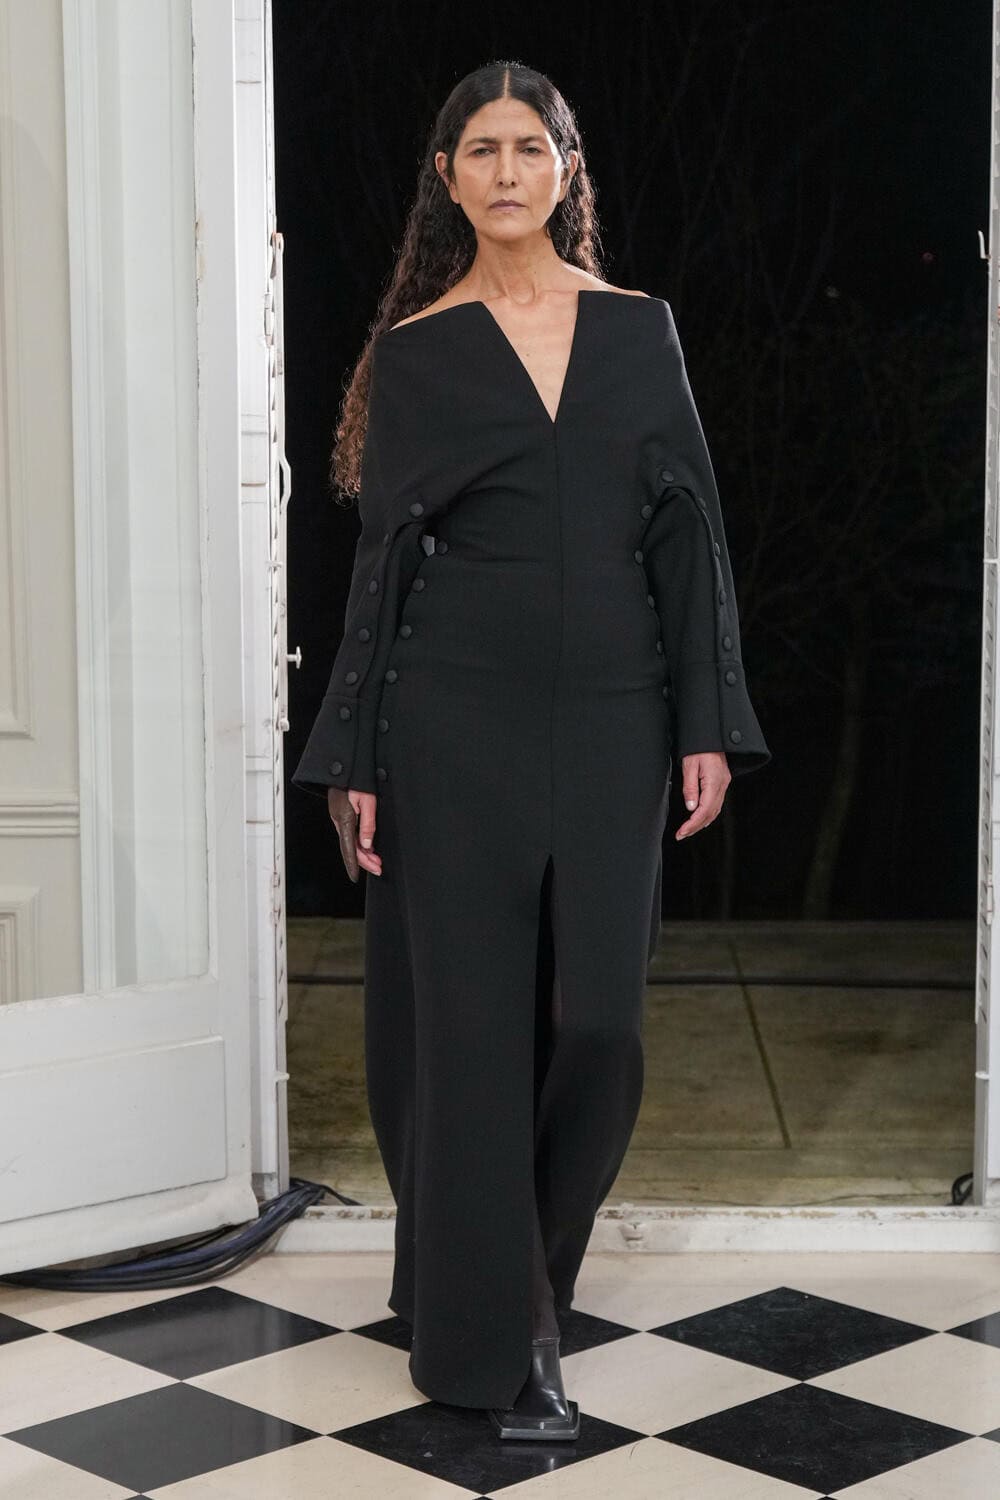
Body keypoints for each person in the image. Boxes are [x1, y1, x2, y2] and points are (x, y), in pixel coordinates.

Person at [291, 59, 771, 1441]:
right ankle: (512, 1329)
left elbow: (692, 537)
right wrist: (355, 755)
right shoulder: (420, 351)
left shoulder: (639, 331)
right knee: (473, 1034)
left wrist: (707, 723)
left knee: (600, 1026)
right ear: (447, 179)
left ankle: (512, 1279)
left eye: (530, 147)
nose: (507, 171)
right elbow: (383, 569)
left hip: (619, 717)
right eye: (481, 150)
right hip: (450, 724)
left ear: (567, 171)